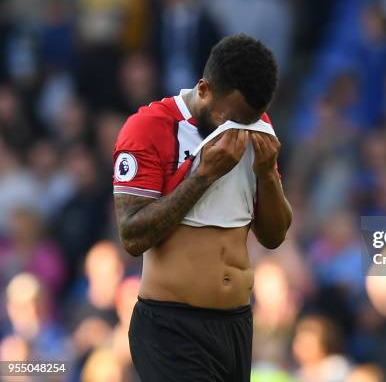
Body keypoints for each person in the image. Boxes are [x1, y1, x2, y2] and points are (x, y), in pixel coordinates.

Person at [112, 34, 292, 381]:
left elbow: (274, 236)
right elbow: (132, 235)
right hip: (172, 329)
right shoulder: (149, 128)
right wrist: (204, 175)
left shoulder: (257, 123)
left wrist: (267, 173)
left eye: (249, 119)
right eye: (231, 117)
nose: (237, 126)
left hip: (236, 326)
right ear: (205, 89)